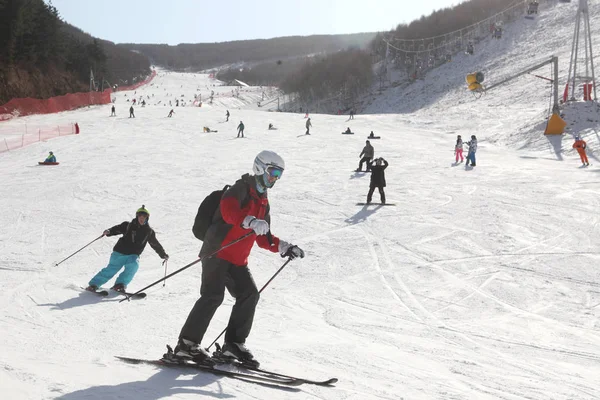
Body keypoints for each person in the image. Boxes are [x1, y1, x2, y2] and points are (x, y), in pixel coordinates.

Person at [171, 151, 305, 366]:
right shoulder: (240, 188)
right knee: (213, 296)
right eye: (273, 172)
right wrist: (250, 221)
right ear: (261, 168)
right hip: (217, 252)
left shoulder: (263, 201)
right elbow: (228, 212)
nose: (275, 178)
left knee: (249, 295)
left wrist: (284, 246)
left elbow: (264, 237)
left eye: (279, 174)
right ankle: (187, 345)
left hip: (237, 260)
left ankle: (233, 346)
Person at [86, 205, 168, 293]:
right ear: (137, 216)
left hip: (133, 254)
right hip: (120, 252)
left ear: (147, 218)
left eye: (144, 217)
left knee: (133, 266)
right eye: (140, 216)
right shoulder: (128, 225)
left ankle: (120, 284)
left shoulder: (149, 232)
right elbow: (117, 228)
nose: (142, 218)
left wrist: (162, 254)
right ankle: (94, 285)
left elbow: (155, 244)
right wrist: (109, 231)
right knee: (112, 269)